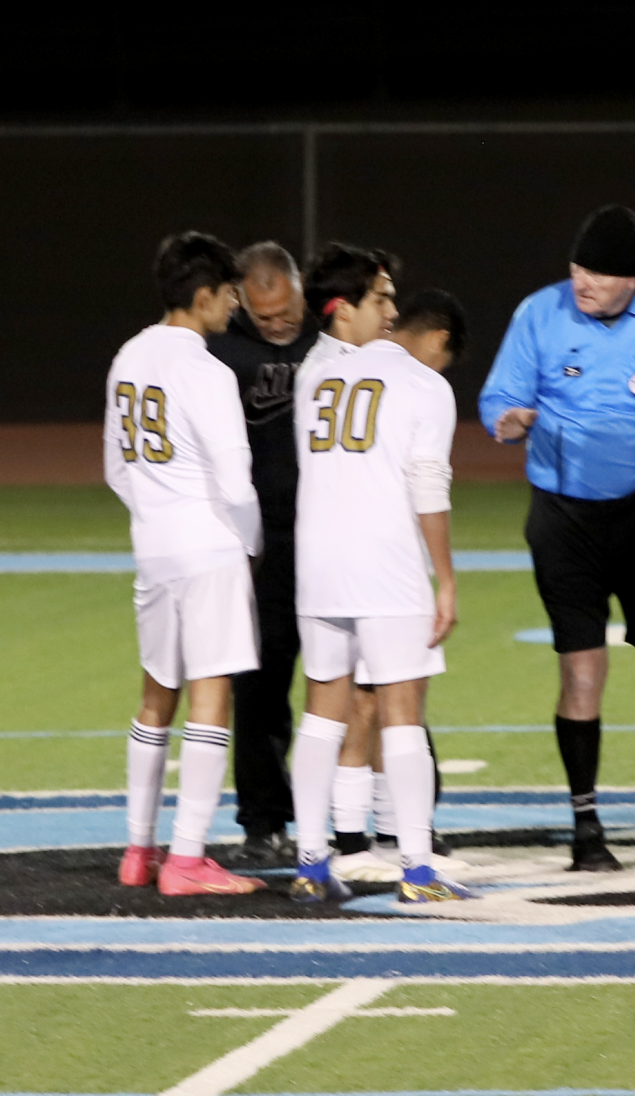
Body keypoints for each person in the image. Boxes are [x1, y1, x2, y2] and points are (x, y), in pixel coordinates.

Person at [478, 205, 635, 871]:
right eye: (576, 266)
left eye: (597, 271)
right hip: (564, 519)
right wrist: (507, 418)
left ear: (631, 279)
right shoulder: (540, 313)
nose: (581, 280)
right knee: (580, 670)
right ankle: (586, 828)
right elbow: (497, 394)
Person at [290, 245, 471, 904]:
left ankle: (312, 865)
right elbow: (428, 487)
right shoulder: (425, 385)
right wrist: (444, 577)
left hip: (319, 565)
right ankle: (418, 871)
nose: (393, 311)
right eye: (382, 299)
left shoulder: (313, 379)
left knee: (321, 716)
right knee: (401, 716)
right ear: (345, 309)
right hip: (386, 564)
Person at [105, 232, 266, 896]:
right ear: (204, 296)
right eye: (229, 292)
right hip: (208, 546)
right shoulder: (206, 370)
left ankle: (138, 850)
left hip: (155, 547)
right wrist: (250, 548)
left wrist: (153, 517)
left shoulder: (127, 357)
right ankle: (188, 858)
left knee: (154, 698)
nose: (235, 304)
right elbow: (235, 481)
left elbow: (115, 468)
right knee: (211, 698)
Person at [206, 242, 319, 867]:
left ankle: (387, 820)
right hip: (262, 546)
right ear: (244, 303)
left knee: (369, 679)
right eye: (266, 316)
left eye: (288, 312)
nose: (280, 326)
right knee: (261, 686)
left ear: (301, 289)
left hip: (332, 536)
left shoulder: (330, 342)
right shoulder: (223, 353)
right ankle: (263, 822)